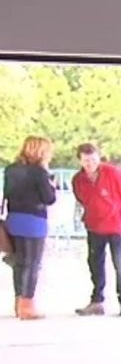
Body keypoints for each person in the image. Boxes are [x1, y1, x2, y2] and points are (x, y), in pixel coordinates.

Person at [71, 142, 121, 317]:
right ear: (79, 161)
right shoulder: (78, 180)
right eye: (86, 161)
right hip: (94, 226)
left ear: (98, 158)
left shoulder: (114, 173)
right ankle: (97, 301)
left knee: (120, 264)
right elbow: (81, 199)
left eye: (93, 160)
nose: (90, 164)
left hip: (117, 225)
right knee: (95, 264)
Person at [1, 136, 58, 320]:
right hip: (33, 221)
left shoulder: (11, 169)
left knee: (19, 263)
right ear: (41, 152)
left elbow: (7, 193)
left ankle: (18, 303)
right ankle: (27, 306)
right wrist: (52, 184)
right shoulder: (39, 172)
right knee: (32, 264)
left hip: (14, 218)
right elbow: (49, 198)